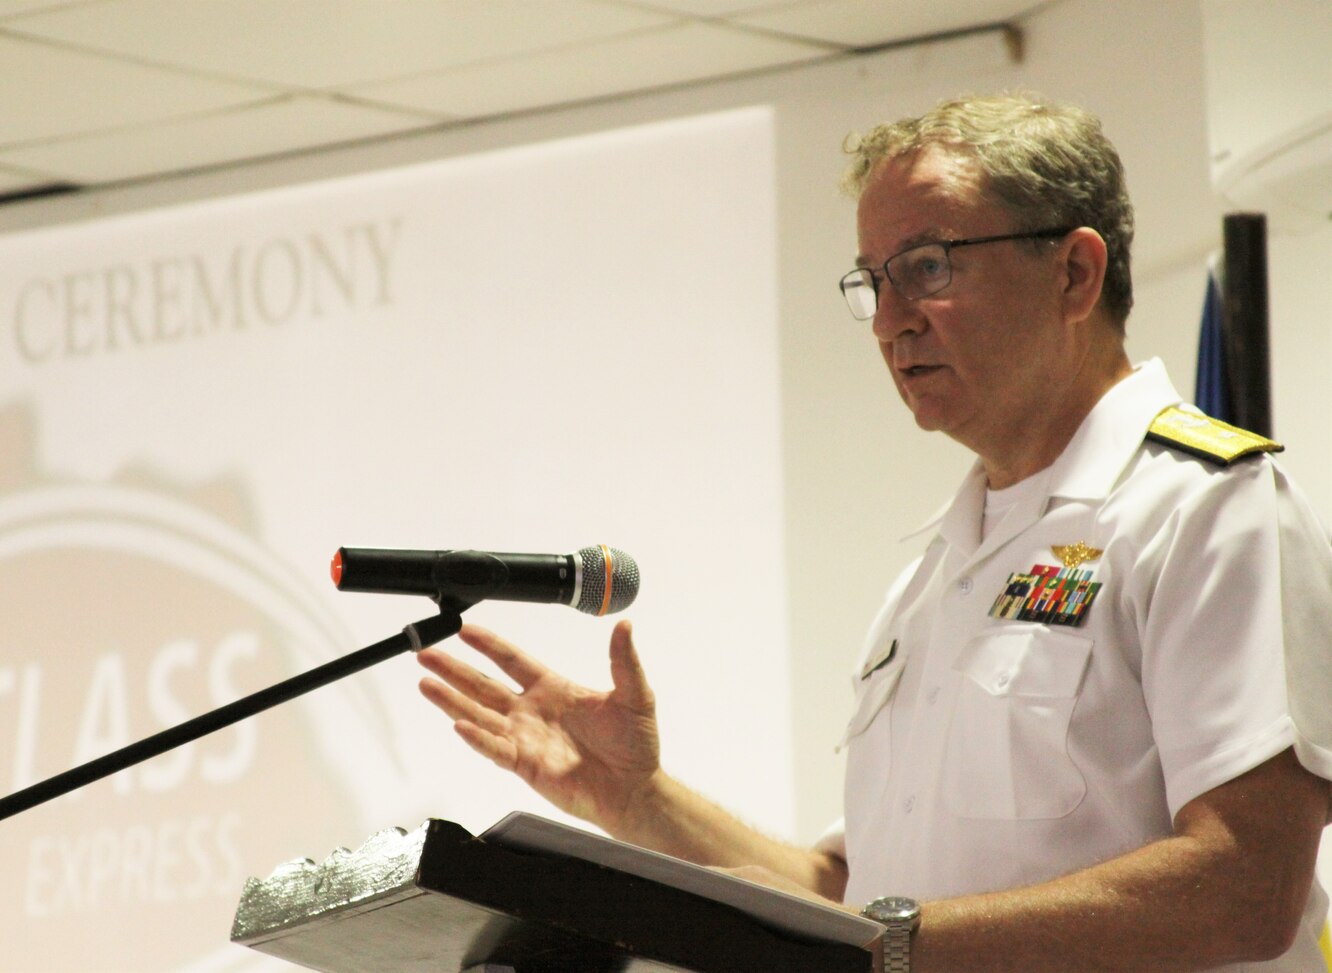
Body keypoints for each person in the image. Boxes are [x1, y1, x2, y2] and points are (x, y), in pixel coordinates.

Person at [416, 94, 1332, 973]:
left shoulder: (1205, 509)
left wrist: (893, 945)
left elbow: (1245, 883)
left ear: (1074, 273)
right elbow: (857, 902)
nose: (892, 320)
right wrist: (641, 801)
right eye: (873, 281)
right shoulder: (940, 572)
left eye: (929, 265)